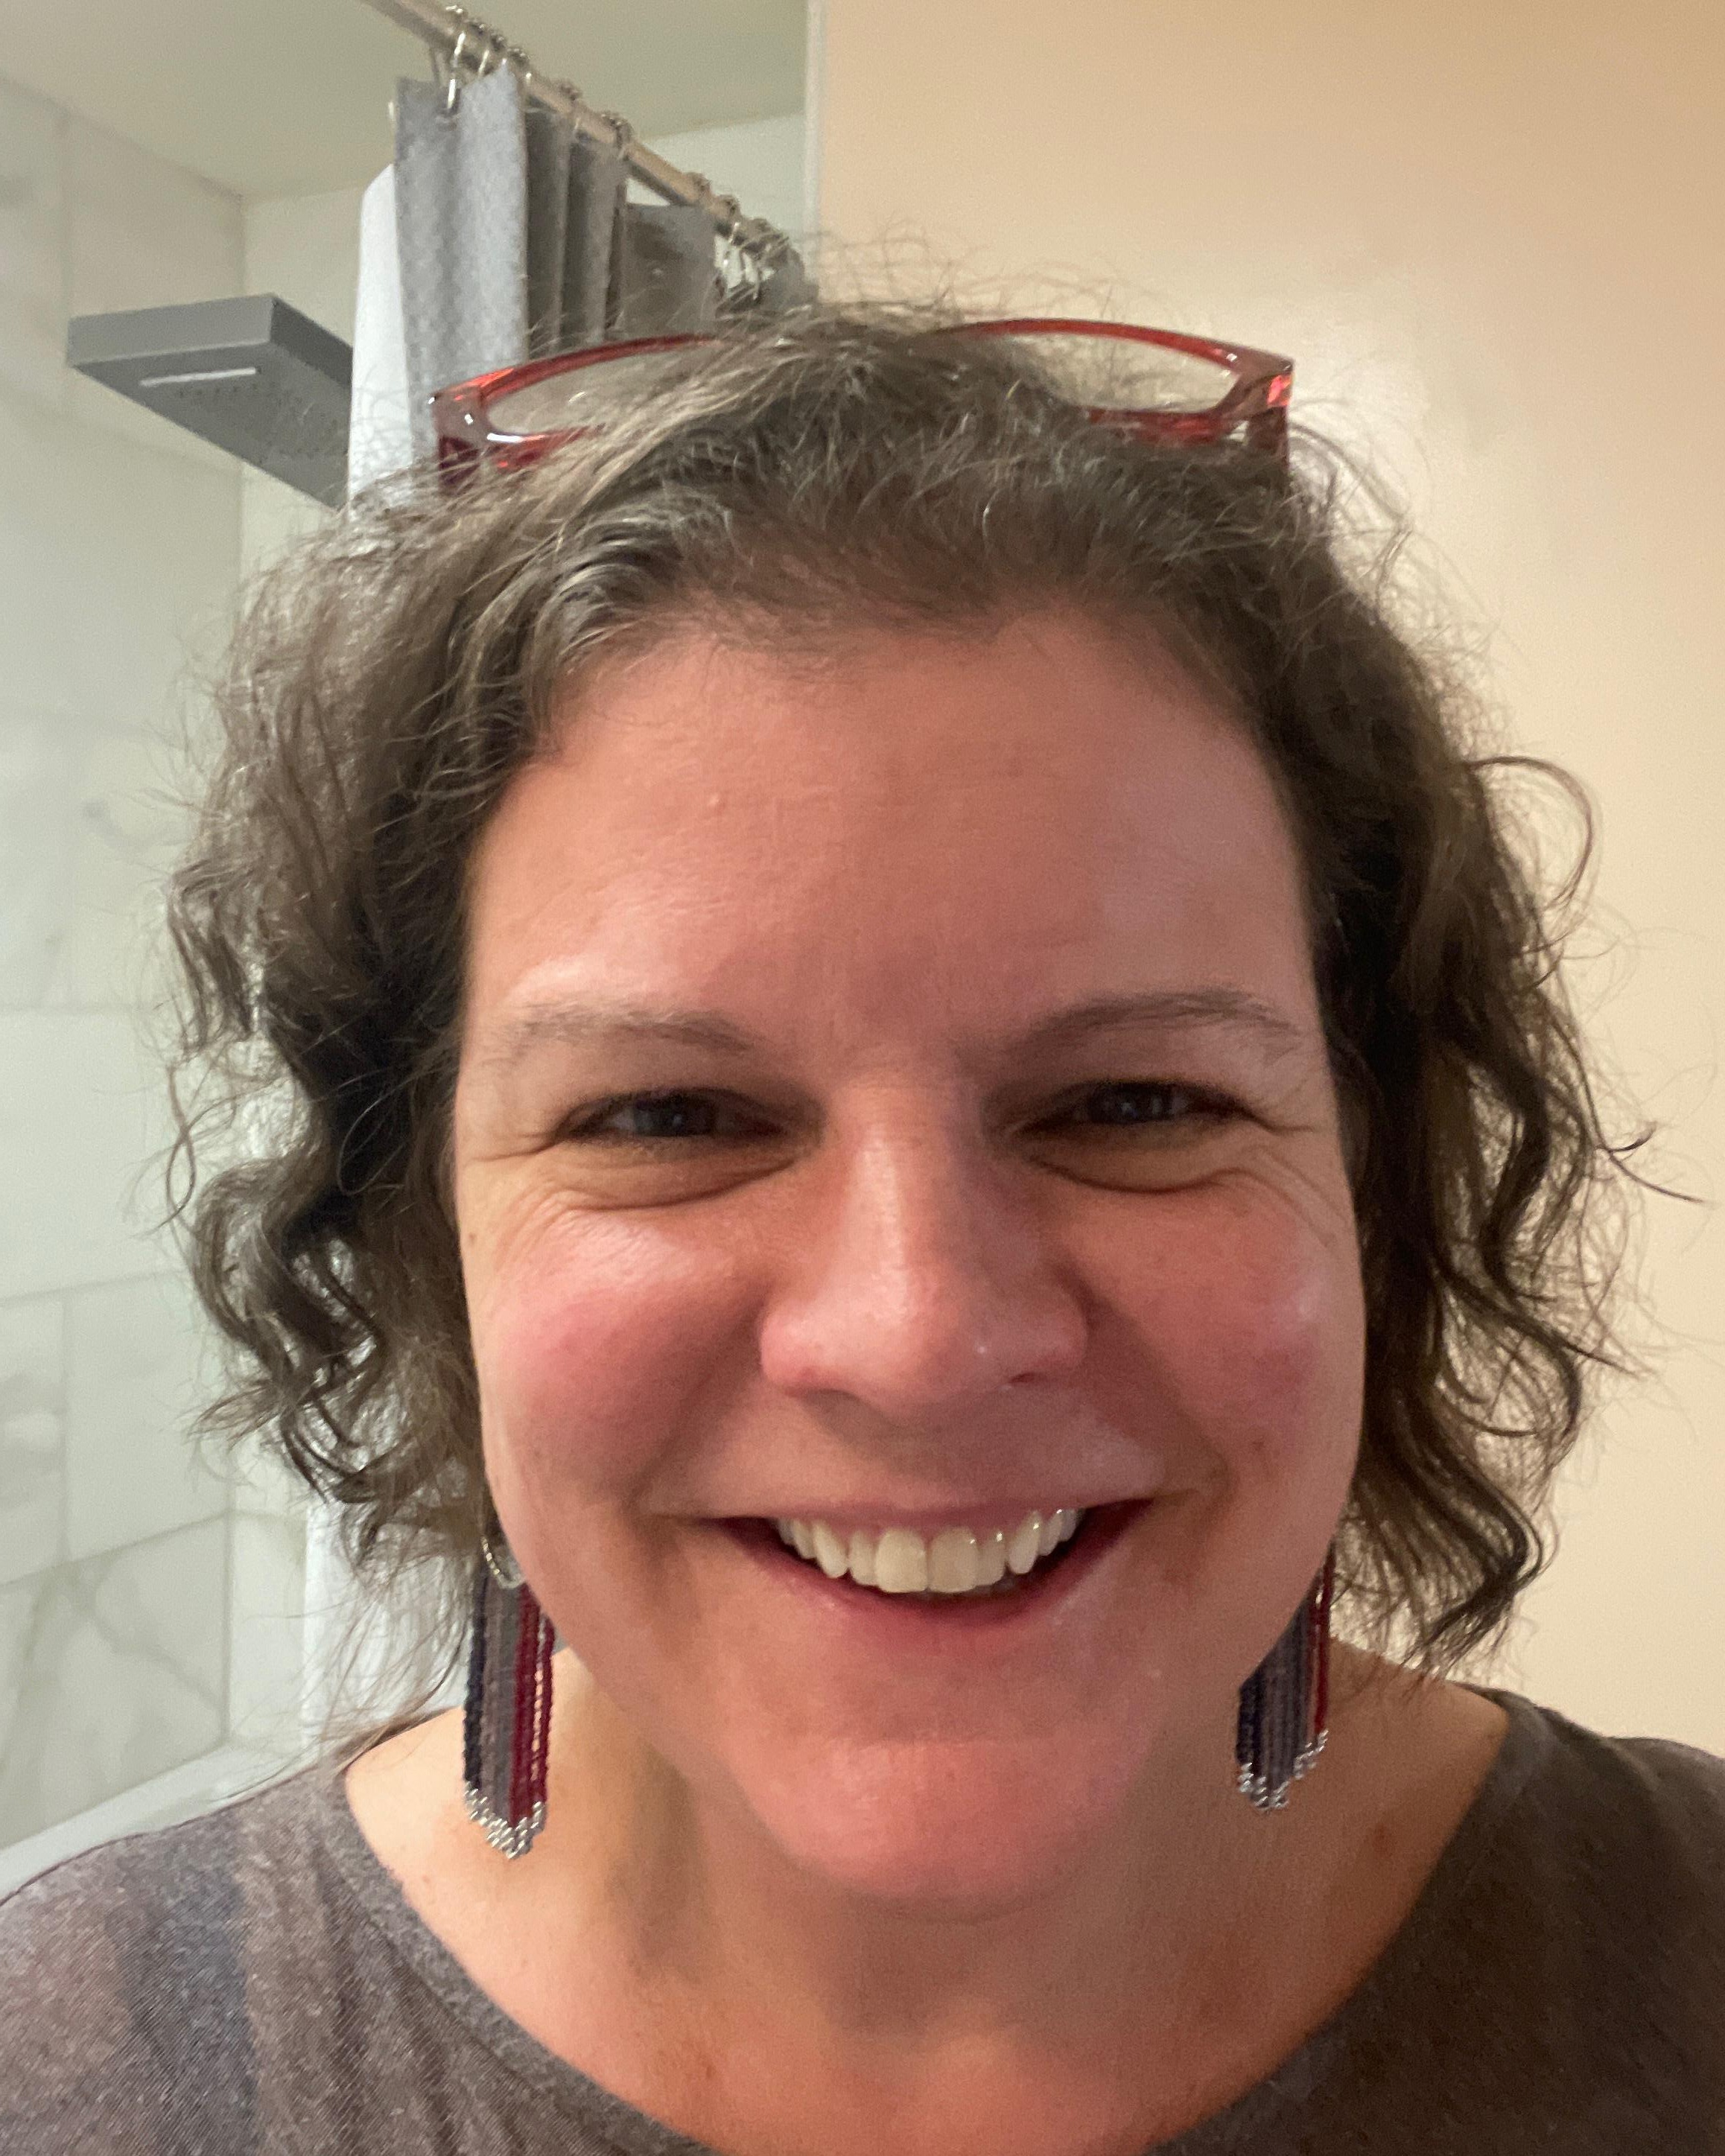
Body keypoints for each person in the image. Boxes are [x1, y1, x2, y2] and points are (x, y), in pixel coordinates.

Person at [2, 305, 1721, 2155]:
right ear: (426, 1227)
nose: (915, 1335)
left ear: (1375, 1186)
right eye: (669, 1116)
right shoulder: (79, 2073)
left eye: (1134, 1103)